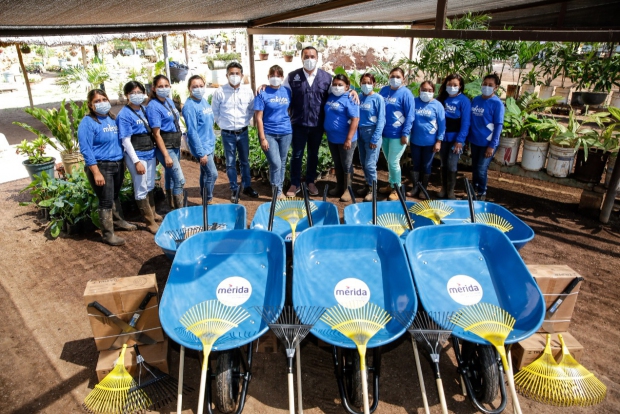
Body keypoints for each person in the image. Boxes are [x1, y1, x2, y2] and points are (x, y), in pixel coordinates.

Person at [283, 46, 359, 197]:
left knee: (313, 154)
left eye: (312, 56)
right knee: (297, 155)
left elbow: (339, 92)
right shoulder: (292, 77)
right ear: (302, 58)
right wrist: (265, 86)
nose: (309, 59)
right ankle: (295, 183)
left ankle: (311, 182)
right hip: (298, 124)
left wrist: (352, 90)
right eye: (306, 56)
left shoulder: (326, 78)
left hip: (317, 125)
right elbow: (281, 91)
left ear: (317, 58)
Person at [78, 89, 136, 246]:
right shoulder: (88, 122)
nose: (102, 103)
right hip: (102, 166)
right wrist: (96, 172)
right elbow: (86, 149)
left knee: (114, 195)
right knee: (105, 200)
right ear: (90, 105)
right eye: (97, 101)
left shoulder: (112, 118)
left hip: (118, 163)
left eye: (104, 99)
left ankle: (118, 222)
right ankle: (108, 234)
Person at [116, 81, 167, 234]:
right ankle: (149, 221)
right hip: (137, 155)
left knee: (150, 184)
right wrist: (136, 161)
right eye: (133, 93)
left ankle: (153, 213)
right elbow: (125, 140)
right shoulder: (124, 115)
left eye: (139, 92)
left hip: (149, 152)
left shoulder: (144, 109)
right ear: (127, 95)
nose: (136, 95)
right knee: (141, 187)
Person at [212, 62, 257, 202]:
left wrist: (243, 123)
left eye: (237, 73)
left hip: (243, 132)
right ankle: (233, 189)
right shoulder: (219, 92)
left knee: (245, 161)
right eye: (232, 73)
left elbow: (251, 110)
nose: (235, 76)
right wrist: (224, 125)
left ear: (242, 75)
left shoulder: (248, 91)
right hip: (227, 134)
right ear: (227, 75)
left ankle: (247, 186)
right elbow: (215, 113)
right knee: (230, 163)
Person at [145, 75, 184, 210]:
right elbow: (156, 134)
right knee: (179, 179)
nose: (164, 89)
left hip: (175, 144)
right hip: (166, 147)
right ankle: (179, 211)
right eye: (160, 86)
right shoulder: (153, 106)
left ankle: (170, 206)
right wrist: (166, 155)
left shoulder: (169, 101)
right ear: (154, 88)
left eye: (166, 86)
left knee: (171, 177)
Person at [254, 65, 292, 199]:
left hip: (286, 132)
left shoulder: (287, 92)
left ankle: (278, 189)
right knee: (275, 163)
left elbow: (290, 109)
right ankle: (277, 192)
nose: (275, 78)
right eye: (272, 75)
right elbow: (258, 117)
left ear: (282, 77)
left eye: (278, 76)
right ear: (268, 77)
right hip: (269, 133)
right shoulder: (262, 93)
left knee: (281, 162)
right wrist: (262, 138)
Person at [378, 67, 415, 201]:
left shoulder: (406, 94)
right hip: (385, 133)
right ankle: (391, 184)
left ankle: (397, 188)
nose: (395, 79)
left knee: (394, 161)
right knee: (389, 161)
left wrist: (405, 133)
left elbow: (410, 115)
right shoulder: (383, 91)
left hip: (399, 135)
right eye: (392, 76)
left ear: (403, 79)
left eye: (398, 76)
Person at [467, 73, 505, 200]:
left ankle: (482, 192)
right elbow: (471, 121)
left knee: (481, 169)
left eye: (490, 85)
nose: (486, 87)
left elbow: (498, 125)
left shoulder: (497, 103)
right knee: (475, 168)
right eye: (485, 84)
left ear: (496, 87)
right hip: (475, 141)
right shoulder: (476, 100)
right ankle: (473, 191)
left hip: (487, 143)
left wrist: (492, 146)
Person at [182, 75, 218, 203]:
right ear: (189, 88)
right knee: (213, 174)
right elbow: (192, 131)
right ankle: (208, 199)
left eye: (201, 86)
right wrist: (201, 153)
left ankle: (204, 198)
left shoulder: (203, 101)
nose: (199, 89)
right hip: (201, 147)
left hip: (209, 144)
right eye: (195, 86)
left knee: (204, 174)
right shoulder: (190, 106)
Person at [324, 74, 360, 202]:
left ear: (347, 87)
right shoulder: (331, 95)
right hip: (332, 138)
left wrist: (349, 139)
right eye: (335, 84)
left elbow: (355, 119)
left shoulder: (350, 98)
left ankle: (348, 190)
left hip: (346, 139)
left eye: (340, 85)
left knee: (347, 164)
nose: (337, 87)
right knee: (337, 163)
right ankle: (339, 186)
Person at [406, 81, 445, 199]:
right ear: (419, 90)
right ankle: (415, 188)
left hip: (430, 142)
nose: (426, 92)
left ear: (434, 92)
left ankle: (424, 189)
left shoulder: (438, 105)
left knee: (427, 166)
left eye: (429, 90)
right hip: (415, 141)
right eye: (424, 90)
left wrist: (439, 141)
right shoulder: (414, 102)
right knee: (416, 164)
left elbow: (442, 125)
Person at [436, 74, 471, 199]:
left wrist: (460, 140)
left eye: (455, 85)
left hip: (455, 140)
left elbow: (466, 122)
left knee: (452, 164)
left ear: (460, 86)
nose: (452, 87)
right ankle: (444, 188)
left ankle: (451, 191)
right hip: (442, 138)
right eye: (449, 84)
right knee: (443, 163)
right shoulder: (441, 99)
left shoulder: (464, 101)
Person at [357, 73, 385, 202]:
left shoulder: (378, 98)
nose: (366, 85)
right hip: (360, 133)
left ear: (374, 84)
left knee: (370, 164)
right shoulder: (359, 97)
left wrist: (375, 138)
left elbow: (381, 120)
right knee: (363, 162)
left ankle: (373, 190)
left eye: (369, 82)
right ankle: (367, 185)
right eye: (363, 82)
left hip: (372, 133)